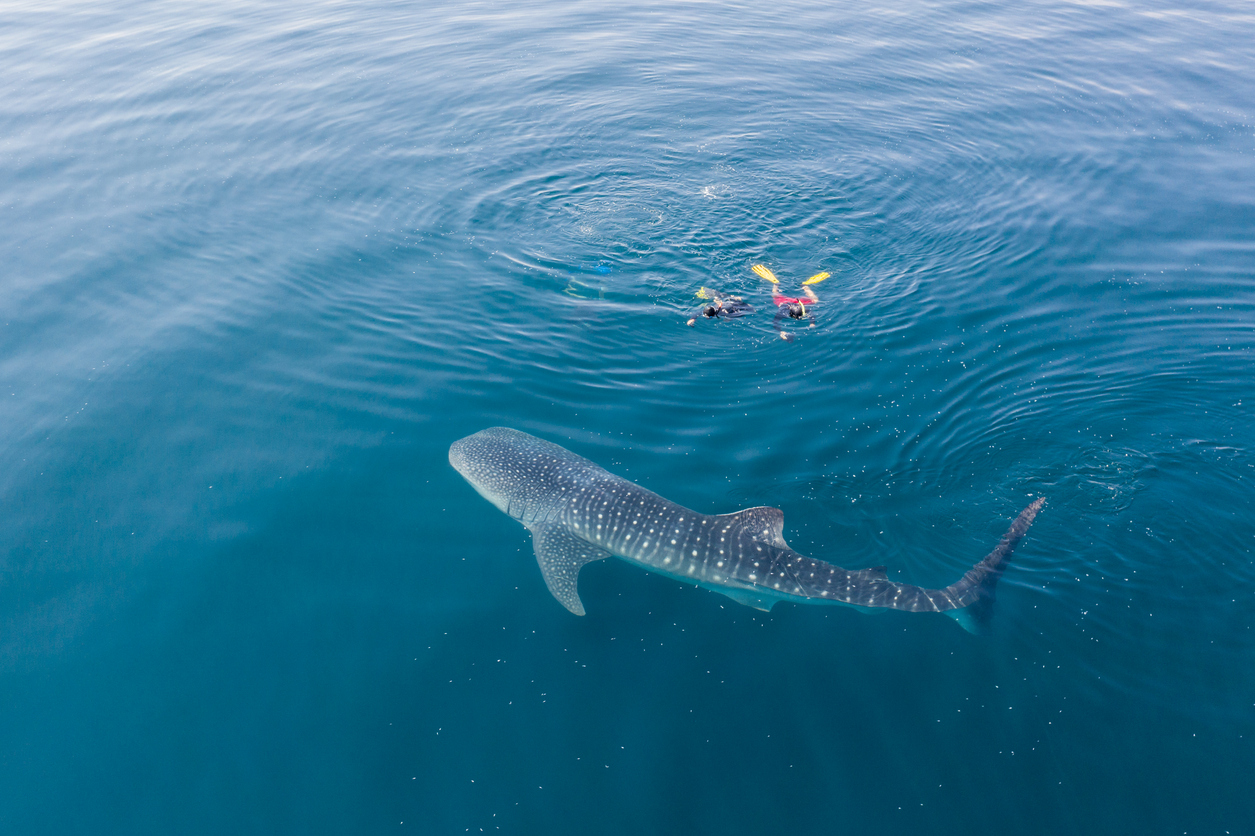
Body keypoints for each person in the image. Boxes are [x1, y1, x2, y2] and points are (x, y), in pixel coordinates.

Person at [752, 264, 829, 340]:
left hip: (796, 302)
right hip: (785, 303)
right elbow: (775, 323)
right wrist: (781, 331)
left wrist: (812, 323)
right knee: (815, 300)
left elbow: (775, 323)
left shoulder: (802, 309)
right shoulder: (782, 312)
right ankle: (804, 286)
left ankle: (778, 285)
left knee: (775, 295)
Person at [686, 287, 754, 326]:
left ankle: (738, 299)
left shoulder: (724, 313)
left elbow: (739, 314)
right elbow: (698, 313)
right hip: (727, 302)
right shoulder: (711, 309)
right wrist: (692, 318)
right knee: (717, 298)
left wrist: (729, 319)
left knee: (750, 308)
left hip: (734, 305)